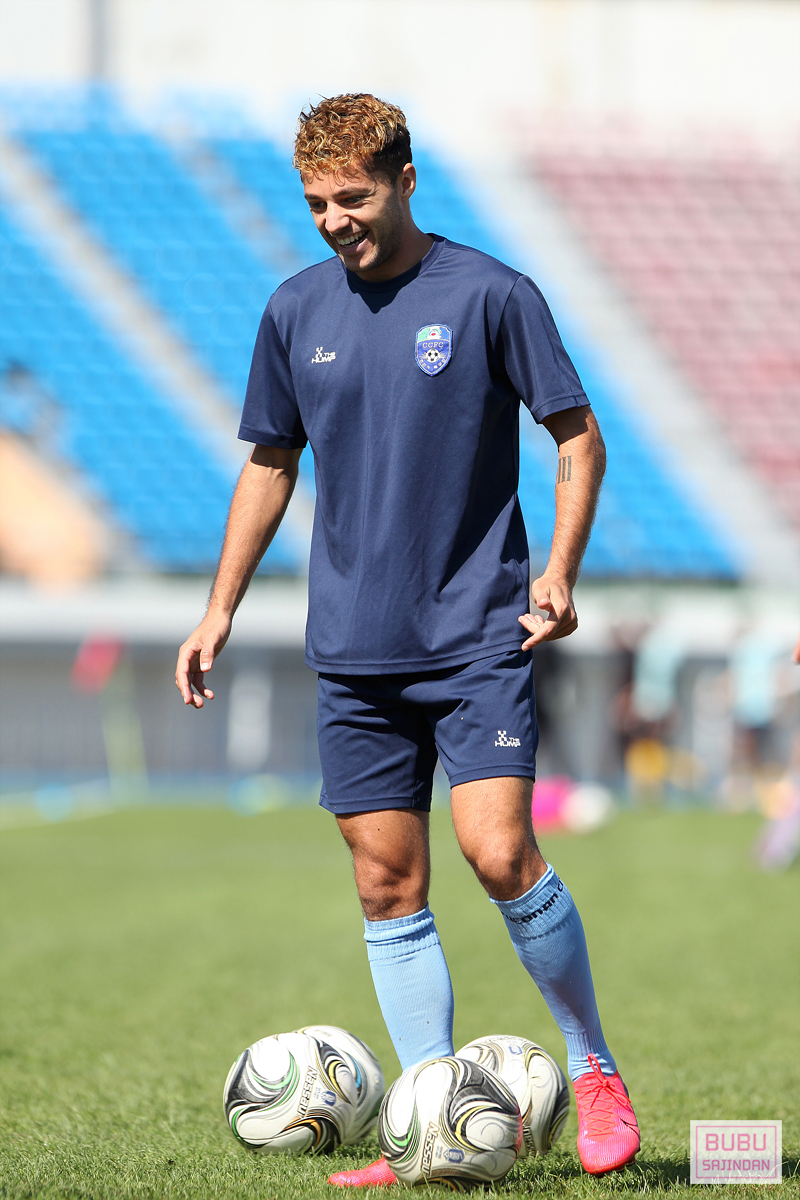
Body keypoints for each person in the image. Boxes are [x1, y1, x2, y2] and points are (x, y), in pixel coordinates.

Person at [175, 94, 640, 1183]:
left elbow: (576, 438)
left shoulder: (490, 294)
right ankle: (427, 1114)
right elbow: (270, 463)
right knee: (385, 883)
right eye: (315, 202)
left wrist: (560, 572)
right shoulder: (294, 309)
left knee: (497, 853)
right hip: (352, 650)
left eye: (352, 196)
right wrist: (220, 606)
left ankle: (593, 1068)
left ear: (405, 181)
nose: (333, 219)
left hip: (477, 633)